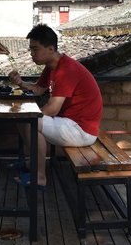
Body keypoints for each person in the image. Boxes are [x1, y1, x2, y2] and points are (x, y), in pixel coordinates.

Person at [8, 24, 102, 189]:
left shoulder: (67, 69)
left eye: (35, 49)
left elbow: (52, 109)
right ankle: (32, 162)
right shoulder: (52, 66)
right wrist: (20, 83)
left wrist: (31, 114)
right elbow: (38, 89)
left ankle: (40, 177)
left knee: (30, 122)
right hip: (69, 123)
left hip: (81, 130)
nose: (32, 54)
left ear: (51, 49)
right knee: (23, 119)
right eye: (31, 49)